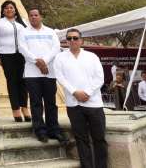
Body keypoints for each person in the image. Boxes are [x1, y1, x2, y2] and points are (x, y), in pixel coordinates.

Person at [53, 28, 106, 168]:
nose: (72, 41)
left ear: (81, 40)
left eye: (75, 38)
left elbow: (99, 78)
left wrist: (87, 92)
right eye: (69, 38)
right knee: (81, 140)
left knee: (99, 139)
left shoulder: (92, 56)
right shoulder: (60, 57)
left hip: (94, 104)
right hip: (73, 104)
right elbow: (60, 77)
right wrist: (74, 92)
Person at [18, 9, 67, 143]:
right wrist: (38, 62)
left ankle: (54, 130)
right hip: (31, 73)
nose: (33, 17)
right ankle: (40, 130)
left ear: (41, 17)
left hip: (49, 73)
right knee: (36, 103)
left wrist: (44, 62)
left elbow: (56, 48)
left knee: (51, 103)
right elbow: (23, 49)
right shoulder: (23, 32)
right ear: (28, 18)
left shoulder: (50, 32)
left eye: (36, 15)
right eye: (31, 16)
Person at [0, 0, 31, 122]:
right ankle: (15, 109)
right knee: (12, 81)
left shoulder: (22, 23)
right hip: (6, 55)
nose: (9, 9)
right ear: (3, 10)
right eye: (6, 8)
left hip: (21, 55)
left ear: (15, 9)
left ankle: (25, 107)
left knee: (23, 81)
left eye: (11, 7)